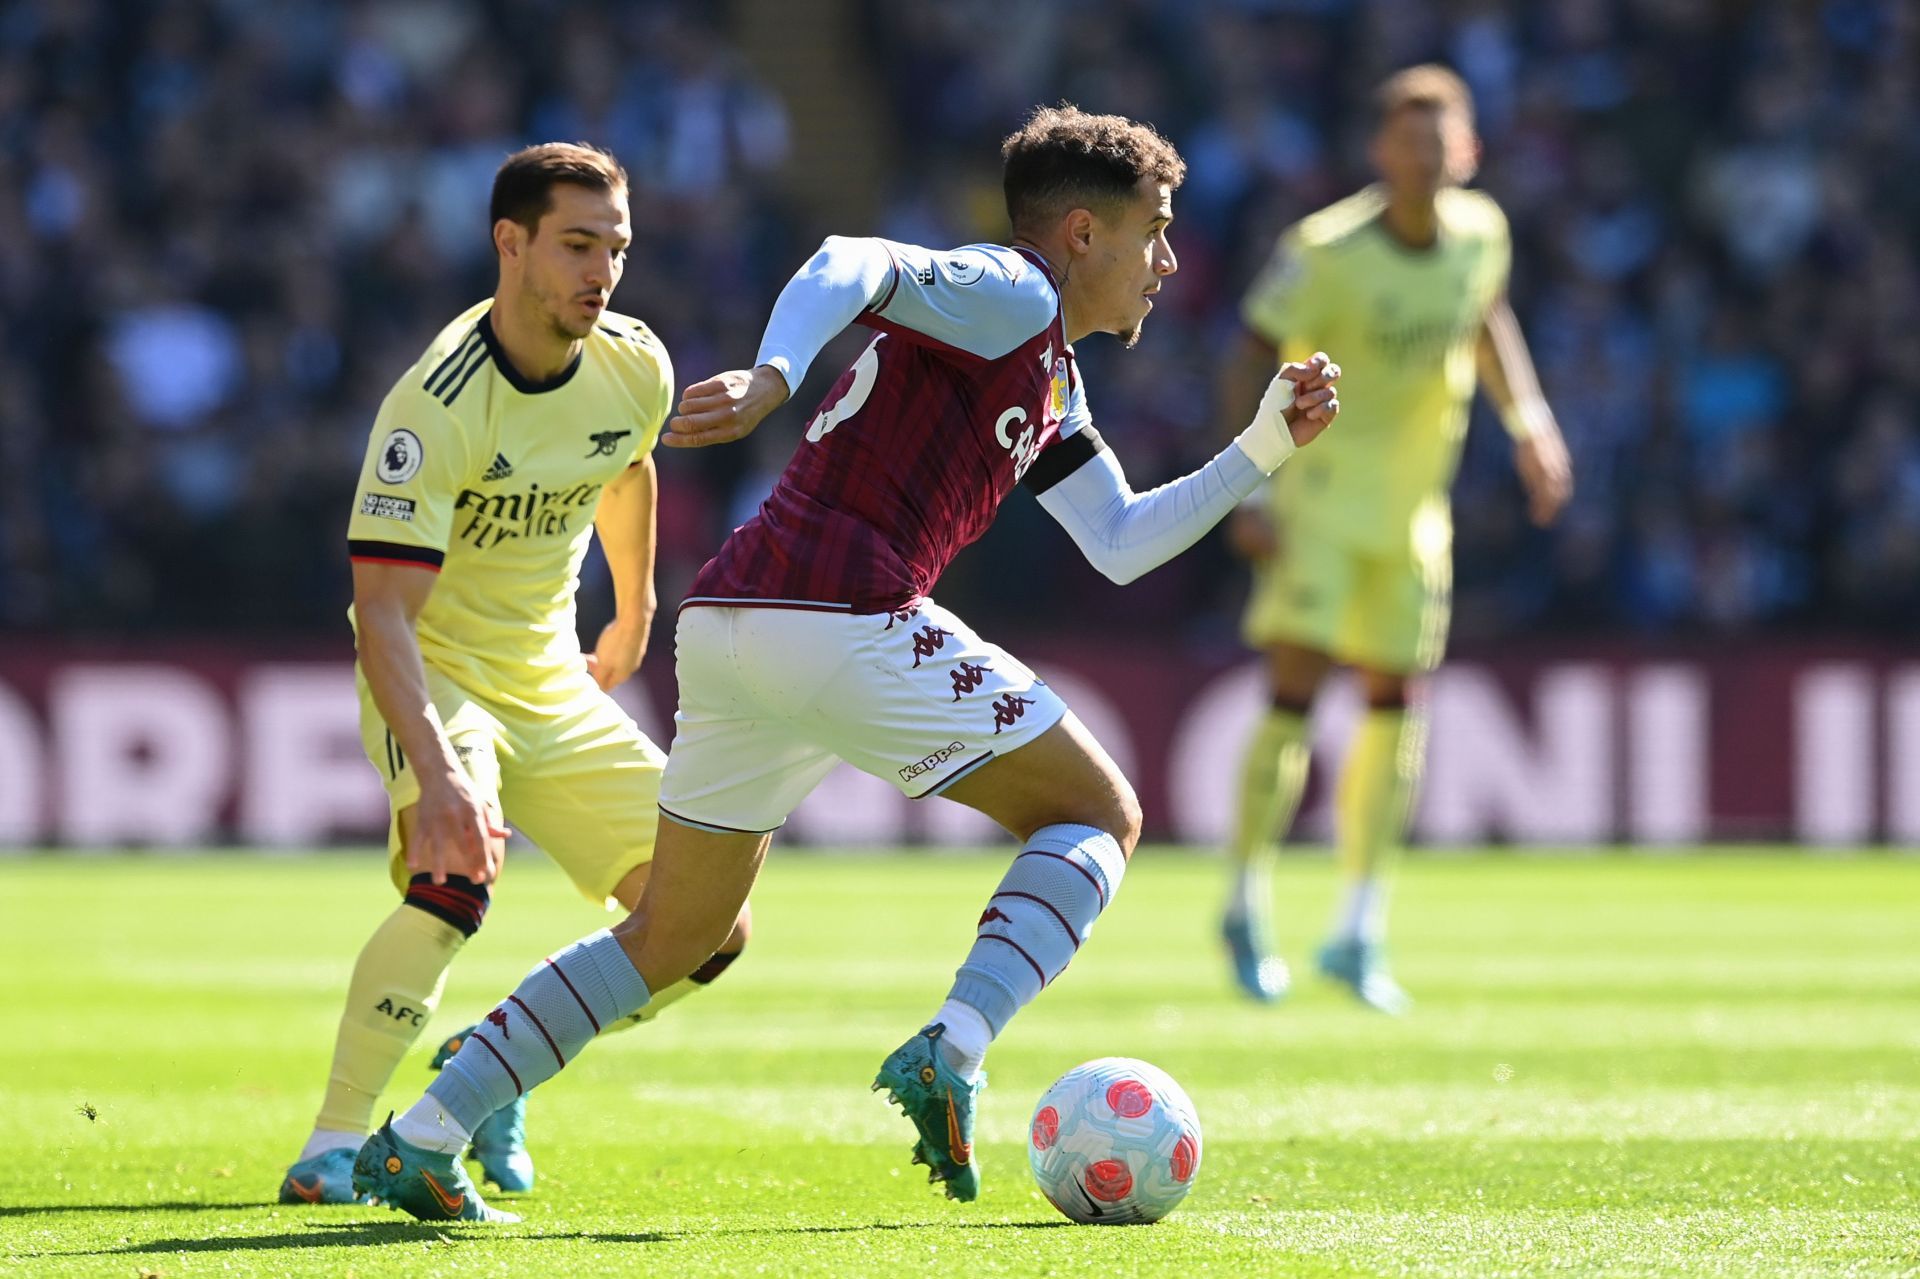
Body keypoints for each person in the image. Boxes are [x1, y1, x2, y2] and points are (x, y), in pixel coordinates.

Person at [350, 104, 1341, 1222]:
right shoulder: (1009, 291)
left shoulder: (1052, 373)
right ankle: (956, 1046)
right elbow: (850, 261)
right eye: (1154, 231)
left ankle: (429, 1132)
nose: (1167, 260)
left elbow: (1118, 542)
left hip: (733, 621)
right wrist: (775, 376)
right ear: (1079, 234)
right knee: (1099, 815)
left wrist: (1263, 447)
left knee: (675, 933)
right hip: (837, 606)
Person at [278, 143, 749, 1216]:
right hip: (433, 670)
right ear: (511, 244)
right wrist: (440, 776)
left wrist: (634, 608)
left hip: (549, 679)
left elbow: (626, 467)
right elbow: (385, 615)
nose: (603, 271)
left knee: (709, 925)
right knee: (455, 877)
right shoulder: (434, 405)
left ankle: (491, 1066)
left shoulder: (634, 364)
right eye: (578, 245)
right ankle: (335, 1143)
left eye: (617, 249)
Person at [1218, 65, 1572, 1012]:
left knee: (1394, 710)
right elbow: (1253, 347)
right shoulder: (1324, 249)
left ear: (1469, 152)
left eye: (1441, 141)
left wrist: (1530, 420)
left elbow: (1485, 316)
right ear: (1381, 152)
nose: (1425, 158)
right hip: (1322, 503)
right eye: (1407, 141)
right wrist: (1247, 486)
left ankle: (1358, 927)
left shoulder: (1482, 236)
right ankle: (1246, 901)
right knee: (1294, 697)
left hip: (1418, 514)